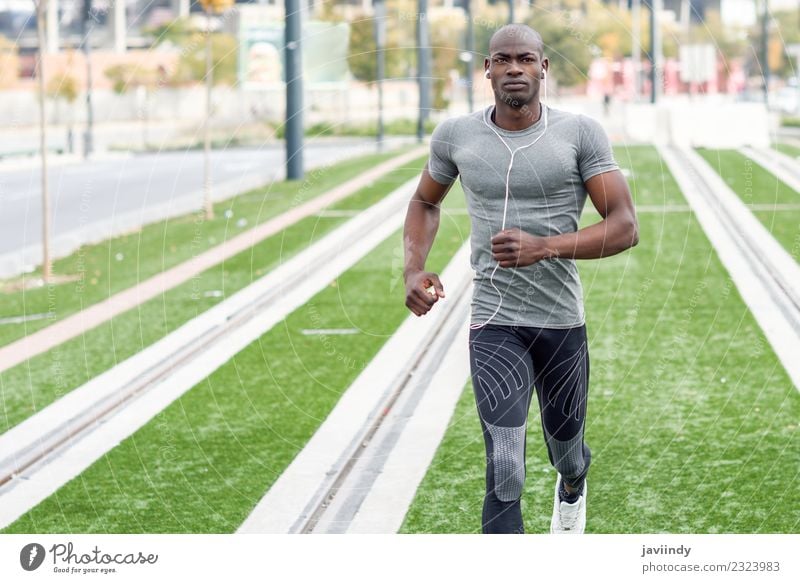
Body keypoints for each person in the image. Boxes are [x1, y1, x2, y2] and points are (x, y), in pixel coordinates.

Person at [402, 23, 638, 534]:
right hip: (494, 321)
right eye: (503, 59)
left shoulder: (578, 133)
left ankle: (573, 486)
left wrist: (544, 247)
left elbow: (624, 227)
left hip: (560, 322)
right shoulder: (456, 136)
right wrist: (414, 268)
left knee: (566, 450)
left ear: (543, 68)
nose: (514, 68)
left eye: (526, 59)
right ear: (487, 69)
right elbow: (425, 201)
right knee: (505, 467)